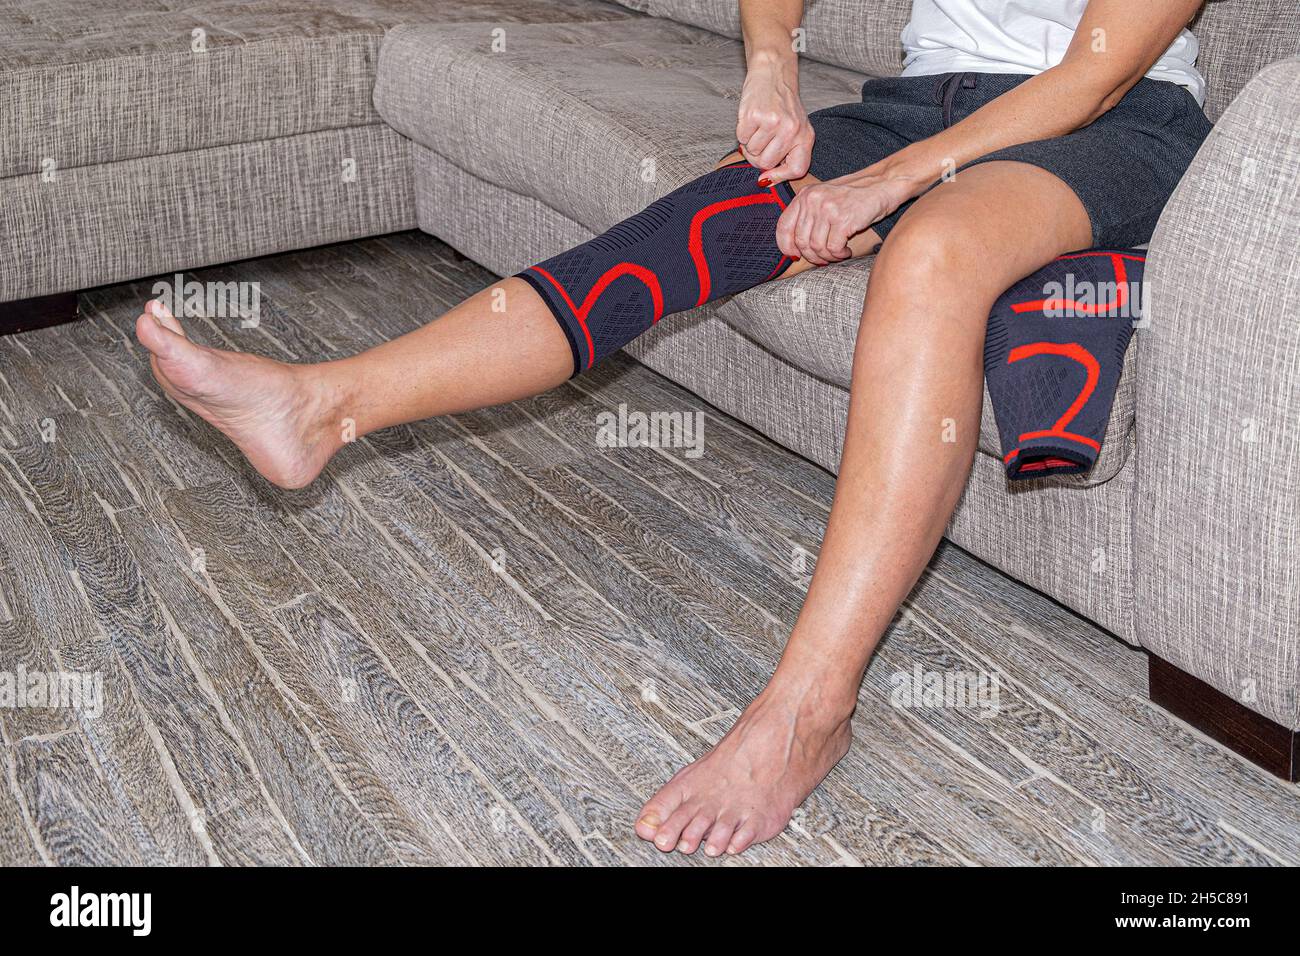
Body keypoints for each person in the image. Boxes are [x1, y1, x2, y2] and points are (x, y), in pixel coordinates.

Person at [135, 0, 1212, 857]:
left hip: (1110, 128)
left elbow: (1096, 70)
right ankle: (326, 404)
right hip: (923, 102)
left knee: (933, 251)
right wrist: (770, 71)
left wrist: (885, 183)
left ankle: (806, 711)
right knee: (684, 227)